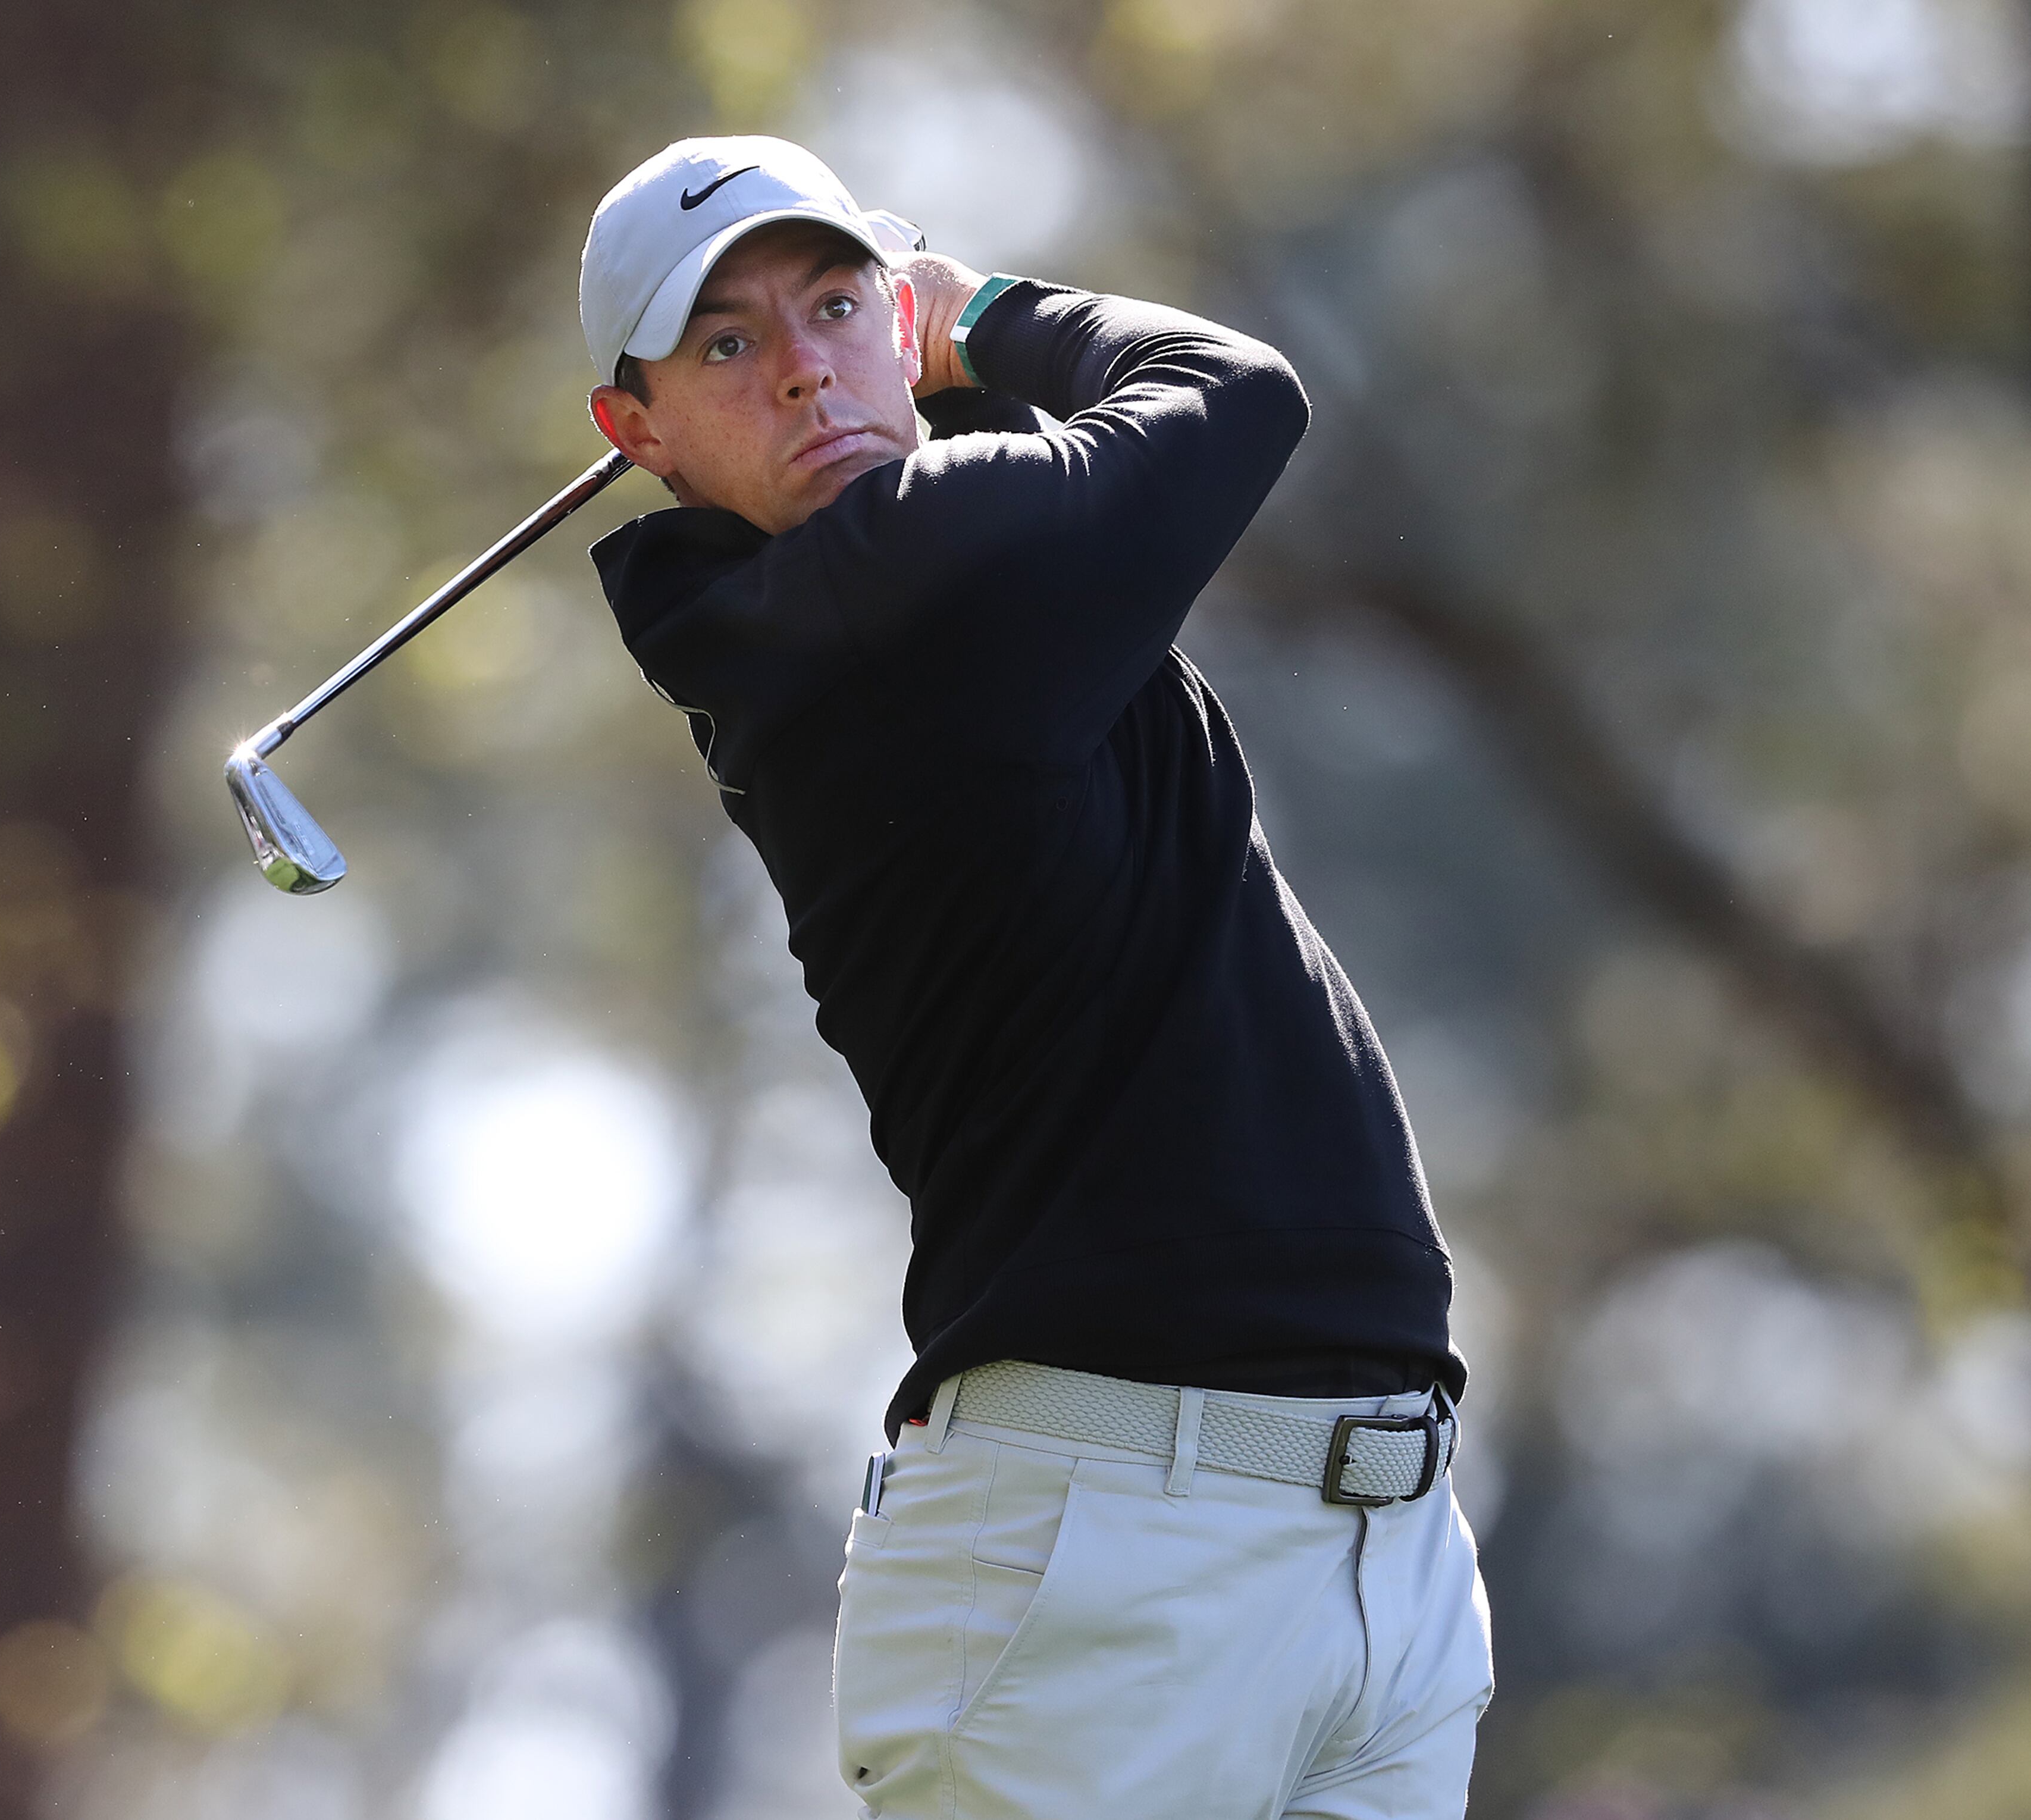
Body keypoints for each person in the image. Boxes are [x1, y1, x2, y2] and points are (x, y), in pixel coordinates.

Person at [579, 136, 1493, 1820]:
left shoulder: (873, 584)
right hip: (1110, 1562)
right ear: (635, 435)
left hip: (1367, 1552)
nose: (801, 368)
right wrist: (975, 310)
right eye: (726, 343)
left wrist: (926, 366)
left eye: (834, 305)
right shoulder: (895, 595)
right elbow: (1233, 393)